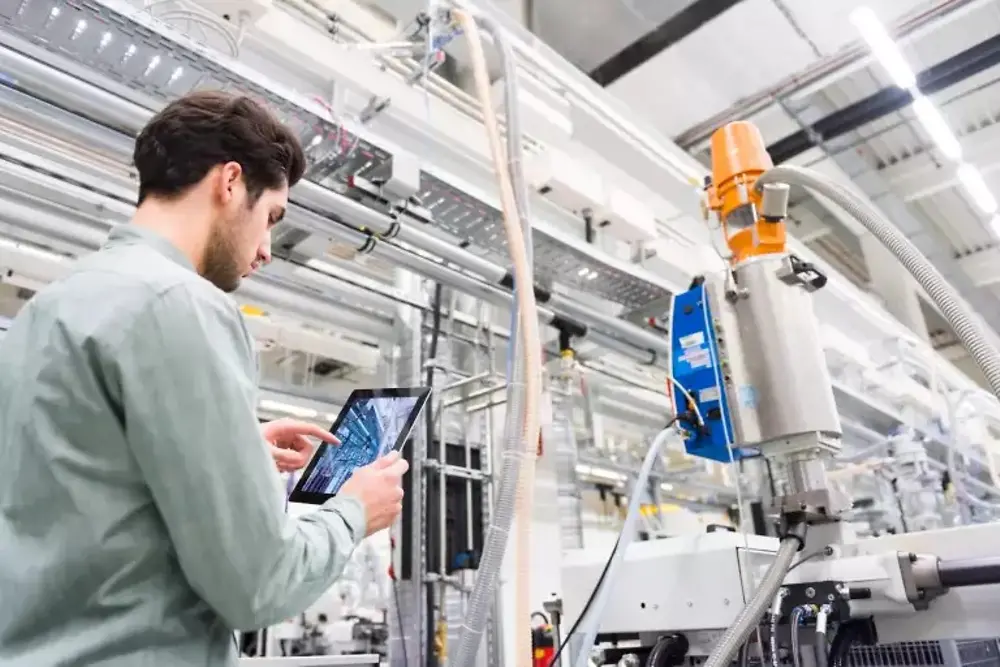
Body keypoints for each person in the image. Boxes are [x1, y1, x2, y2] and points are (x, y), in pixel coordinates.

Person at [0, 91, 408, 666]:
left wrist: (230, 452)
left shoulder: (49, 308)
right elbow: (259, 582)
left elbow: (79, 495)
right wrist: (354, 512)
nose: (266, 249)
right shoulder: (183, 304)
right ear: (231, 182)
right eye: (270, 218)